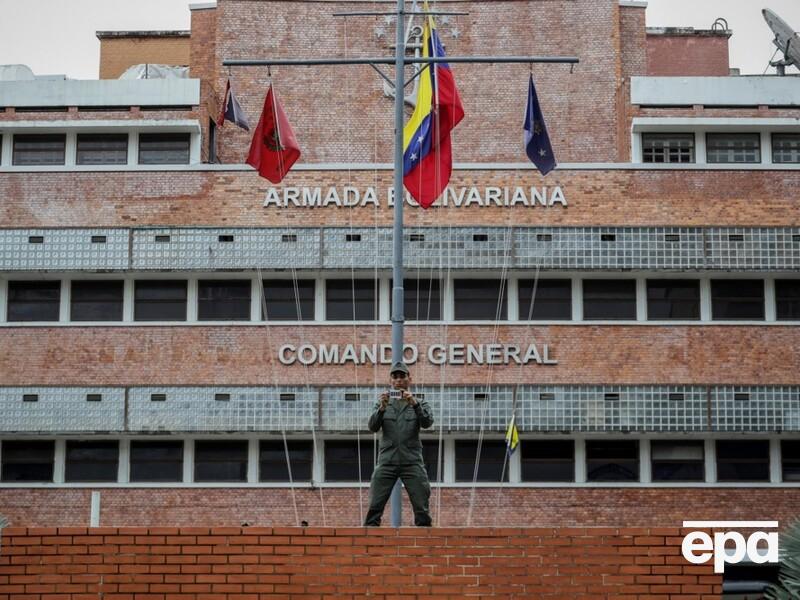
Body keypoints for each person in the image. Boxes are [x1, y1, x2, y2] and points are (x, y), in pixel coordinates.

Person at [364, 361, 434, 527]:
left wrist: (414, 404)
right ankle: (368, 544)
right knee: (375, 505)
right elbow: (372, 427)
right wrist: (381, 408)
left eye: (402, 376)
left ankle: (425, 544)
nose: (398, 380)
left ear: (409, 379)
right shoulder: (382, 402)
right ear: (391, 381)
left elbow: (427, 422)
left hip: (412, 461)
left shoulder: (420, 402)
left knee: (422, 506)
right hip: (387, 461)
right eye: (395, 377)